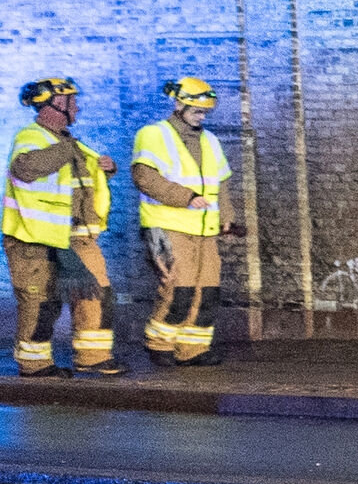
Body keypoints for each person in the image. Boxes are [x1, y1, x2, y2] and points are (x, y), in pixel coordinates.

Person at [8, 75, 112, 375]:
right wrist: (67, 150)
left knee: (97, 293)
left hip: (76, 237)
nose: (77, 108)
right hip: (34, 238)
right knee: (41, 300)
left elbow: (77, 184)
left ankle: (93, 357)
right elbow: (25, 168)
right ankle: (34, 363)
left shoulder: (67, 141)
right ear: (54, 105)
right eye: (72, 101)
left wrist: (106, 167)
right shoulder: (31, 136)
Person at [131, 75, 234, 366]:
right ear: (178, 104)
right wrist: (185, 196)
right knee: (179, 288)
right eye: (196, 111)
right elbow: (144, 177)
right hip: (167, 225)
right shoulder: (153, 134)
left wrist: (226, 217)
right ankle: (160, 344)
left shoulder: (210, 140)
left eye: (205, 112)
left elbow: (221, 182)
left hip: (203, 228)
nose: (202, 117)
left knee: (208, 290)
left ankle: (192, 348)